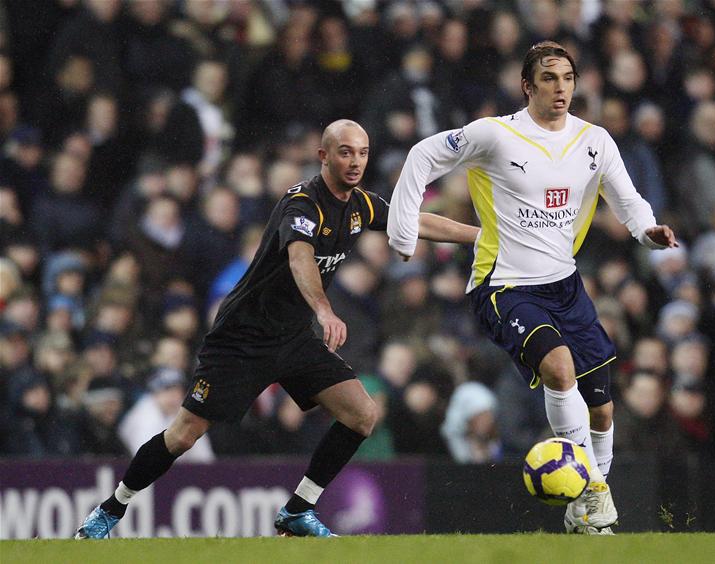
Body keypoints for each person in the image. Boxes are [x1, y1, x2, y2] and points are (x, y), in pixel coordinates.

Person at [74, 119, 478, 539]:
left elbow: (414, 222)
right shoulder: (302, 203)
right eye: (345, 151)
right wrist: (323, 309)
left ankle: (297, 510)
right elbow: (300, 258)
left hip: (293, 336)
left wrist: (482, 237)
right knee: (183, 435)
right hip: (243, 337)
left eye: (362, 152)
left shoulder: (360, 205)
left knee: (362, 414)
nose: (355, 161)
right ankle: (109, 510)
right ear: (324, 156)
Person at [387, 41, 677, 534]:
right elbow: (422, 154)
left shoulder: (595, 141)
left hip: (565, 285)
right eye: (549, 78)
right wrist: (402, 229)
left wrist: (648, 233)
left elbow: (628, 201)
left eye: (567, 78)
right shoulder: (494, 135)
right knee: (559, 369)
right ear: (528, 85)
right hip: (503, 285)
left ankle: (587, 517)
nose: (560, 87)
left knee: (602, 407)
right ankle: (594, 491)